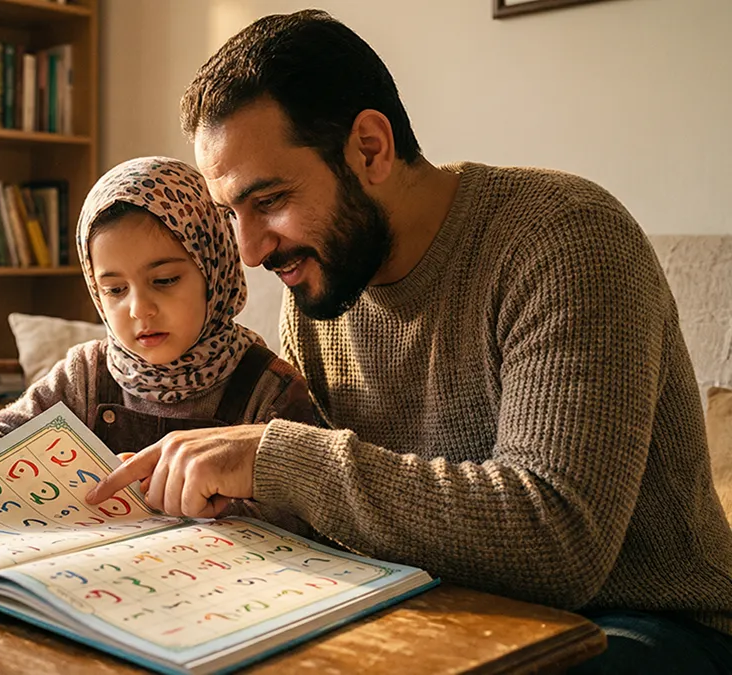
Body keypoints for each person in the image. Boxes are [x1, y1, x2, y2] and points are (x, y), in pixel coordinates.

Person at [84, 10, 732, 673]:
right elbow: (369, 515)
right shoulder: (318, 300)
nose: (249, 251)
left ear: (370, 147)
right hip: (437, 605)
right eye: (232, 215)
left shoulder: (565, 238)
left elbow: (558, 540)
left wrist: (278, 460)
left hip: (645, 625)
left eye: (269, 200)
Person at [0, 156, 315, 479]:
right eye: (115, 290)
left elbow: (298, 514)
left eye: (164, 281)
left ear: (215, 272)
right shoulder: (86, 373)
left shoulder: (270, 390)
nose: (139, 309)